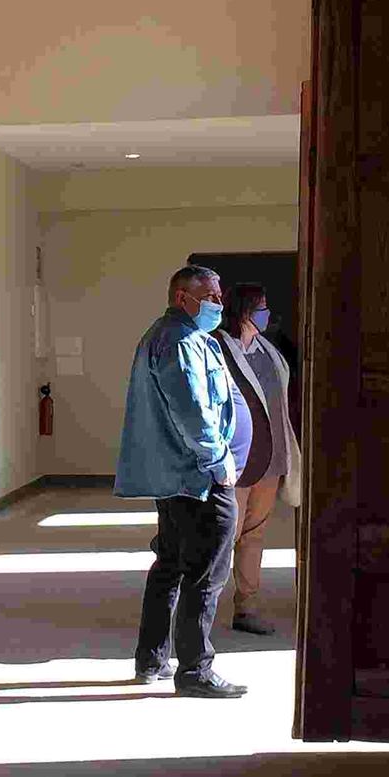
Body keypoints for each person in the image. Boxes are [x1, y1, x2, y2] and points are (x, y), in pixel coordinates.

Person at [113, 265, 245, 698]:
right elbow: (191, 410)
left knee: (169, 564)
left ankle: (151, 659)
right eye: (210, 296)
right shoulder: (179, 341)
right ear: (182, 297)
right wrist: (217, 459)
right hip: (198, 477)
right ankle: (195, 671)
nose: (219, 303)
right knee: (206, 571)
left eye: (220, 295)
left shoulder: (178, 336)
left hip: (178, 478)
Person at [212, 283, 303, 636]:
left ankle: (246, 607)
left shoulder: (268, 349)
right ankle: (200, 606)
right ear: (243, 311)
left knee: (254, 534)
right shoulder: (218, 347)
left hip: (270, 458)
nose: (266, 313)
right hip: (237, 461)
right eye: (260, 307)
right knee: (224, 535)